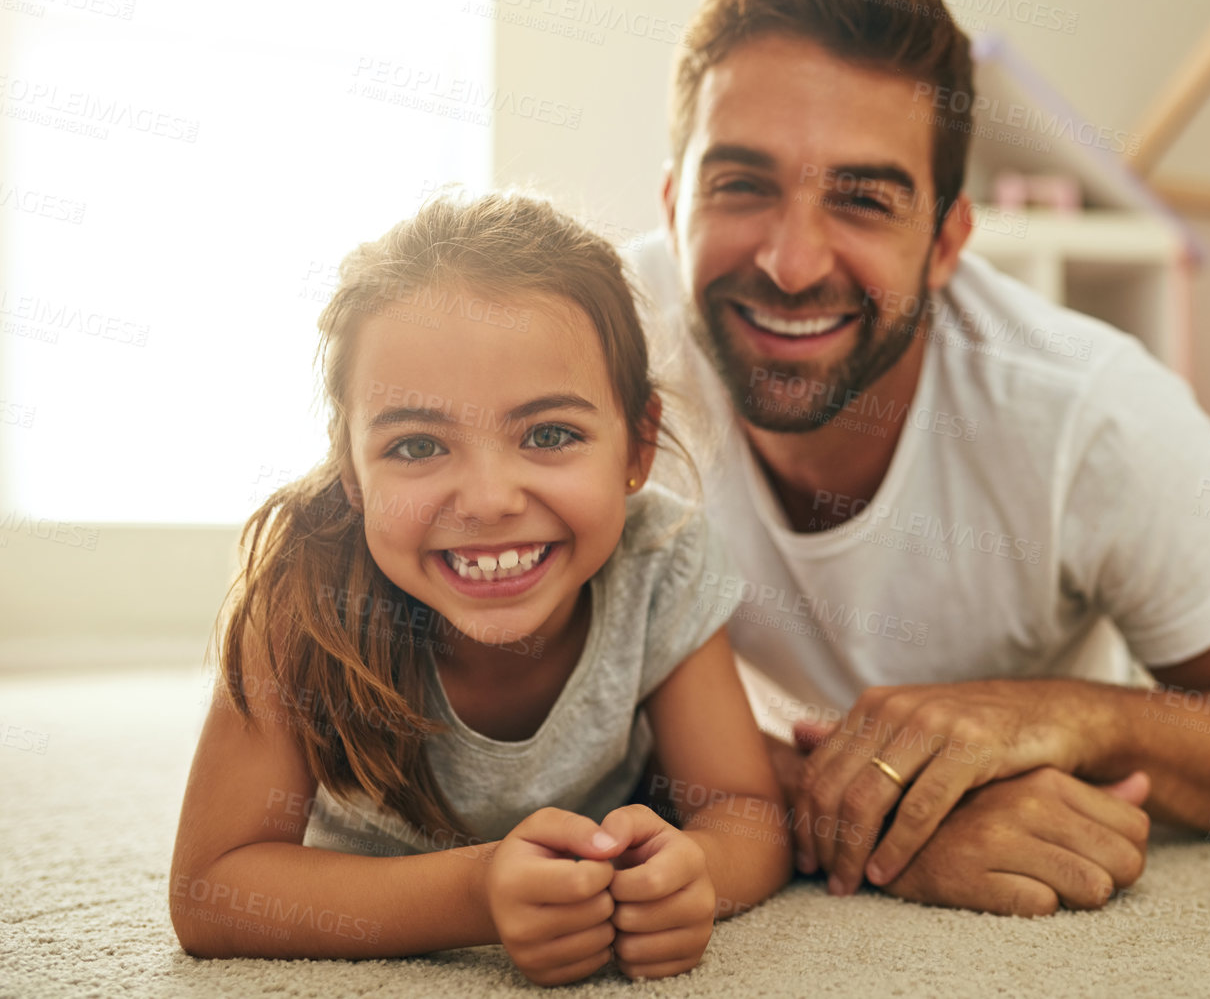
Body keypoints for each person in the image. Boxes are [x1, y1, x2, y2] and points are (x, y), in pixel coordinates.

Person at [628, 0, 1210, 916]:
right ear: (673, 206)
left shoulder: (1087, 414)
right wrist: (878, 814)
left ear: (949, 243)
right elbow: (503, 704)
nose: (792, 264)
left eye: (864, 200)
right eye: (740, 185)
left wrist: (1075, 720)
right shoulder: (598, 354)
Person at [170, 192, 789, 984]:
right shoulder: (301, 588)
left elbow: (746, 813)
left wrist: (692, 872)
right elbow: (211, 888)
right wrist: (475, 892)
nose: (490, 498)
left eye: (550, 434)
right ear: (351, 471)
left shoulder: (660, 557)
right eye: (418, 444)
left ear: (636, 444)